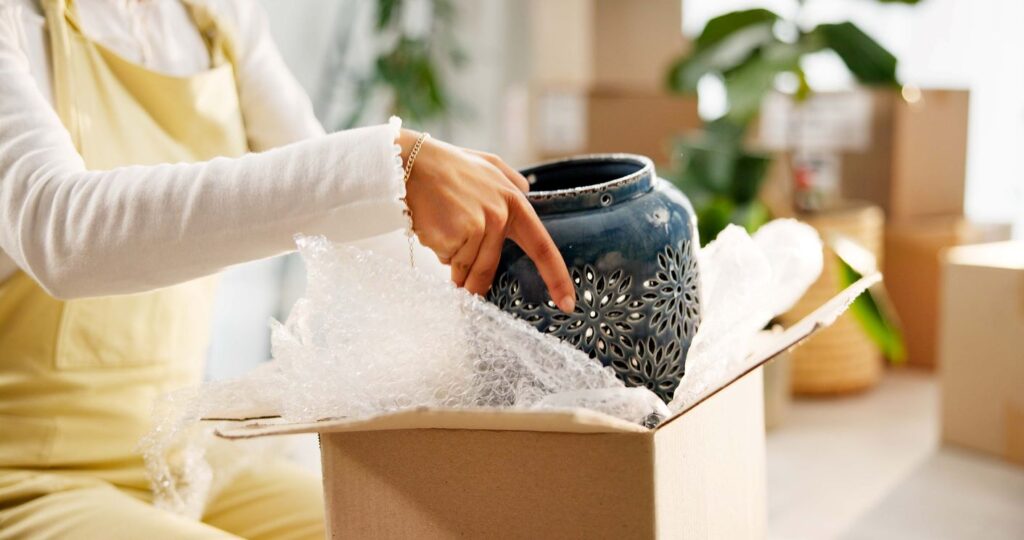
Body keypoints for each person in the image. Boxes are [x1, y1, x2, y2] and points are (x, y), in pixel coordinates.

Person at [0, 0, 575, 537]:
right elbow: (61, 232)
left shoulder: (212, 17)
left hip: (177, 454)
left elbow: (357, 218)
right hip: (27, 479)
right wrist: (387, 164)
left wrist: (499, 339)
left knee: (419, 526)